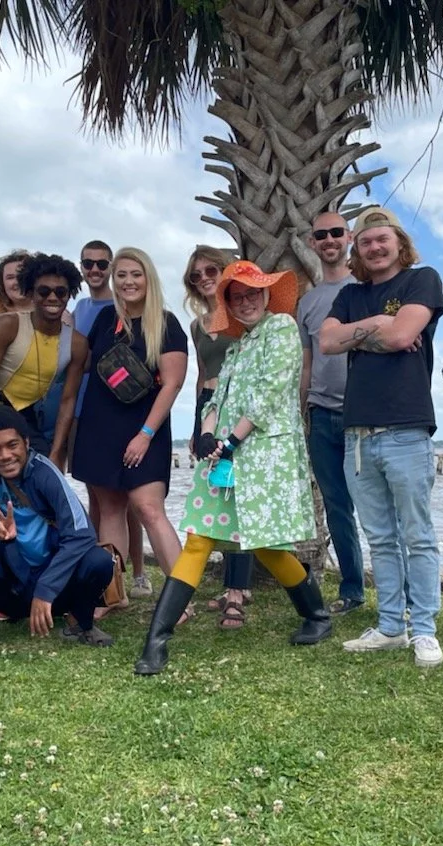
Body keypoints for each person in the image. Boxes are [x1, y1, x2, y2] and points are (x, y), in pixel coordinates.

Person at [135, 262, 331, 675]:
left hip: (261, 457)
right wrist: (208, 432)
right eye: (236, 297)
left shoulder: (280, 330)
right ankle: (156, 641)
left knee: (265, 546)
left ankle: (317, 615)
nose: (245, 303)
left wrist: (231, 440)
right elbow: (214, 397)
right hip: (226, 457)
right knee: (198, 540)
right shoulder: (238, 346)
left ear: (265, 295)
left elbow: (269, 395)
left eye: (251, 294)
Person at [318, 207, 443, 668]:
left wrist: (372, 333)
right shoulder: (350, 293)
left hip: (407, 428)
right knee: (382, 537)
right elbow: (327, 342)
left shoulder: (422, 280)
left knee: (418, 534)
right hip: (357, 434)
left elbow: (403, 336)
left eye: (382, 239)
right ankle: (391, 625)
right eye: (366, 241)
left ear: (398, 242)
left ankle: (425, 628)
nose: (374, 247)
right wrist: (383, 327)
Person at [0, 405, 115, 649]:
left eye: (12, 445)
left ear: (26, 442)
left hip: (55, 590)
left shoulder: (45, 472)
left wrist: (46, 589)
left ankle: (79, 623)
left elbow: (81, 534)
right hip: (10, 588)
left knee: (99, 560)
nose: (5, 455)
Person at [58, 247, 187, 595]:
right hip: (100, 428)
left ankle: (179, 600)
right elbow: (75, 360)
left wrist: (145, 434)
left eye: (136, 274)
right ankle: (112, 594)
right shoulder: (103, 321)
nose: (128, 282)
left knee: (149, 509)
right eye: (122, 275)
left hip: (145, 430)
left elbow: (173, 384)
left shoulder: (166, 323)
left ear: (149, 278)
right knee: (110, 510)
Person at [65, 240, 151, 599]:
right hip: (84, 411)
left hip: (120, 411)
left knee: (127, 500)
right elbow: (75, 363)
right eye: (89, 264)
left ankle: (138, 572)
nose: (95, 270)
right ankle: (104, 573)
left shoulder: (125, 310)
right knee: (97, 497)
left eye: (103, 264)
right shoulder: (81, 309)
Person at [182, 244, 257, 628]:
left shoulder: (247, 315)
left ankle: (236, 593)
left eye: (212, 271)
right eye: (197, 275)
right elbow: (201, 375)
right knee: (216, 494)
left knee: (238, 499)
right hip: (210, 408)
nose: (205, 279)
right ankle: (233, 585)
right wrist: (197, 427)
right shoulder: (198, 325)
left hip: (240, 410)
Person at [297, 211, 366, 615]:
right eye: (321, 235)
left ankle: (404, 589)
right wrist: (303, 409)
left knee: (381, 507)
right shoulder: (308, 302)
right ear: (312, 242)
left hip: (366, 415)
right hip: (322, 416)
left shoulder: (366, 288)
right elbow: (308, 363)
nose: (329, 240)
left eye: (336, 232)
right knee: (338, 507)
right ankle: (352, 590)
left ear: (349, 236)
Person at [0, 252, 77, 458]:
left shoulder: (76, 343)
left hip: (27, 410)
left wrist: (56, 452)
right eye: (43, 291)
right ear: (32, 293)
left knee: (41, 469)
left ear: (69, 294)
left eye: (61, 292)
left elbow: (68, 399)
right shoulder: (7, 324)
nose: (52, 297)